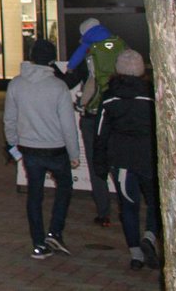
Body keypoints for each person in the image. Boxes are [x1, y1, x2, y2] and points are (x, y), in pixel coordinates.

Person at [4, 38, 80, 260]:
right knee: (64, 188)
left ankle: (38, 243)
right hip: (56, 148)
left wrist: (12, 144)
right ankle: (55, 230)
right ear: (51, 60)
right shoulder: (58, 86)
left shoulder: (16, 84)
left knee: (34, 196)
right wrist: (74, 154)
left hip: (29, 148)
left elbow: (9, 119)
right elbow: (68, 125)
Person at [93, 49, 160, 270]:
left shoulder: (110, 96)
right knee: (156, 203)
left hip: (122, 160)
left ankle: (136, 255)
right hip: (151, 158)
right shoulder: (153, 95)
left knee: (128, 207)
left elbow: (101, 133)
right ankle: (150, 236)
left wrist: (100, 164)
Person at [59, 16, 126, 227]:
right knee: (118, 164)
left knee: (97, 166)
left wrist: (55, 73)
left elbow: (70, 80)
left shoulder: (88, 51)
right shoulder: (119, 45)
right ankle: (126, 209)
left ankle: (103, 213)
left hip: (93, 116)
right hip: (116, 114)